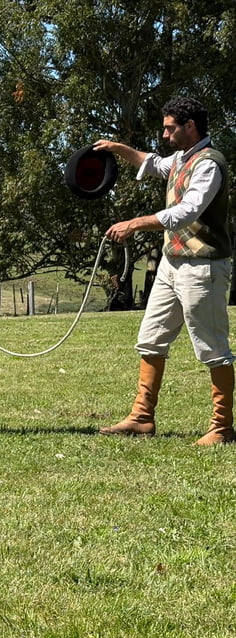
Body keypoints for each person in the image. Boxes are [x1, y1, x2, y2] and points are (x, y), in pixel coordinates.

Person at [94, 96, 234, 445]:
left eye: (171, 128)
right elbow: (152, 163)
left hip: (204, 268)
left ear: (190, 127)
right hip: (173, 264)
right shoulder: (182, 159)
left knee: (212, 347)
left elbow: (187, 211)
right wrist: (118, 148)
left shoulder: (208, 164)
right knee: (151, 339)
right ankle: (142, 418)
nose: (165, 134)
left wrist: (135, 223)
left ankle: (222, 427)